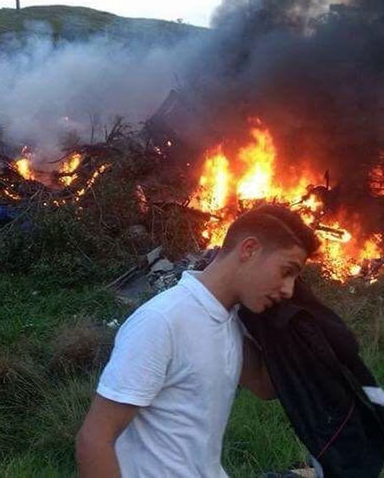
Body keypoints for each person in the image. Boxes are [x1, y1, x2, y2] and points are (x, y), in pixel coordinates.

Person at [76, 204, 320, 478]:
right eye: (286, 271)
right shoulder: (162, 321)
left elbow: (266, 386)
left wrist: (300, 329)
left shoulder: (230, 320)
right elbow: (95, 440)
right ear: (249, 250)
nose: (289, 290)